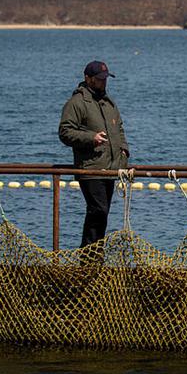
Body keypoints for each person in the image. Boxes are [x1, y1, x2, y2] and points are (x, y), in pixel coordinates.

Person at [59, 60, 130, 248]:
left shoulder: (109, 102)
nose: (103, 82)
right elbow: (65, 132)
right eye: (99, 79)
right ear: (88, 79)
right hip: (90, 168)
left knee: (102, 214)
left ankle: (95, 256)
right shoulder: (77, 103)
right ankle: (88, 258)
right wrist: (91, 137)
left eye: (105, 79)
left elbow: (119, 128)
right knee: (98, 210)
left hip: (112, 167)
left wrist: (124, 149)